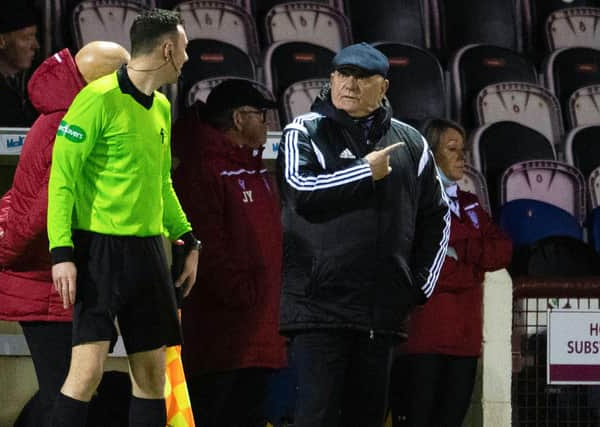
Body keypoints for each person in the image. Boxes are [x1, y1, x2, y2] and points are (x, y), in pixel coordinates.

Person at [275, 42, 451, 427]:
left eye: (361, 77)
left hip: (380, 313)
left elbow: (437, 215)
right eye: (341, 74)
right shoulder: (302, 130)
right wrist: (362, 172)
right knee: (314, 419)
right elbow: (299, 191)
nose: (349, 84)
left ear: (383, 87)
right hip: (317, 310)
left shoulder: (411, 142)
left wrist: (418, 285)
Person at [46, 9, 200, 427]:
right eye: (184, 48)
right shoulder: (95, 100)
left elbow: (161, 183)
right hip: (99, 251)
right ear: (168, 48)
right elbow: (61, 180)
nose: (187, 58)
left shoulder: (163, 108)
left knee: (151, 377)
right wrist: (62, 252)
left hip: (149, 252)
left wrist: (186, 239)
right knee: (87, 373)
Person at [0, 41, 131, 427]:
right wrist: (6, 247)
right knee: (66, 398)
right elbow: (41, 207)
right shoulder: (72, 127)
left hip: (65, 285)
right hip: (51, 285)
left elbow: (21, 190)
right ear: (102, 81)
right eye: (123, 74)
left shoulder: (70, 117)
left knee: (70, 395)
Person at [172, 79, 287, 427]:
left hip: (260, 330)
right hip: (220, 335)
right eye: (261, 116)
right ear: (238, 119)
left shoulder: (256, 171)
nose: (268, 125)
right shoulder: (202, 168)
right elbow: (205, 243)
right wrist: (241, 294)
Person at [389, 118, 512, 427]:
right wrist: (475, 270)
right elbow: (429, 271)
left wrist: (462, 251)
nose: (462, 157)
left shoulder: (470, 203)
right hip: (423, 341)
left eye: (464, 149)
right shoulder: (414, 204)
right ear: (430, 155)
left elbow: (504, 250)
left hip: (465, 342)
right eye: (452, 148)